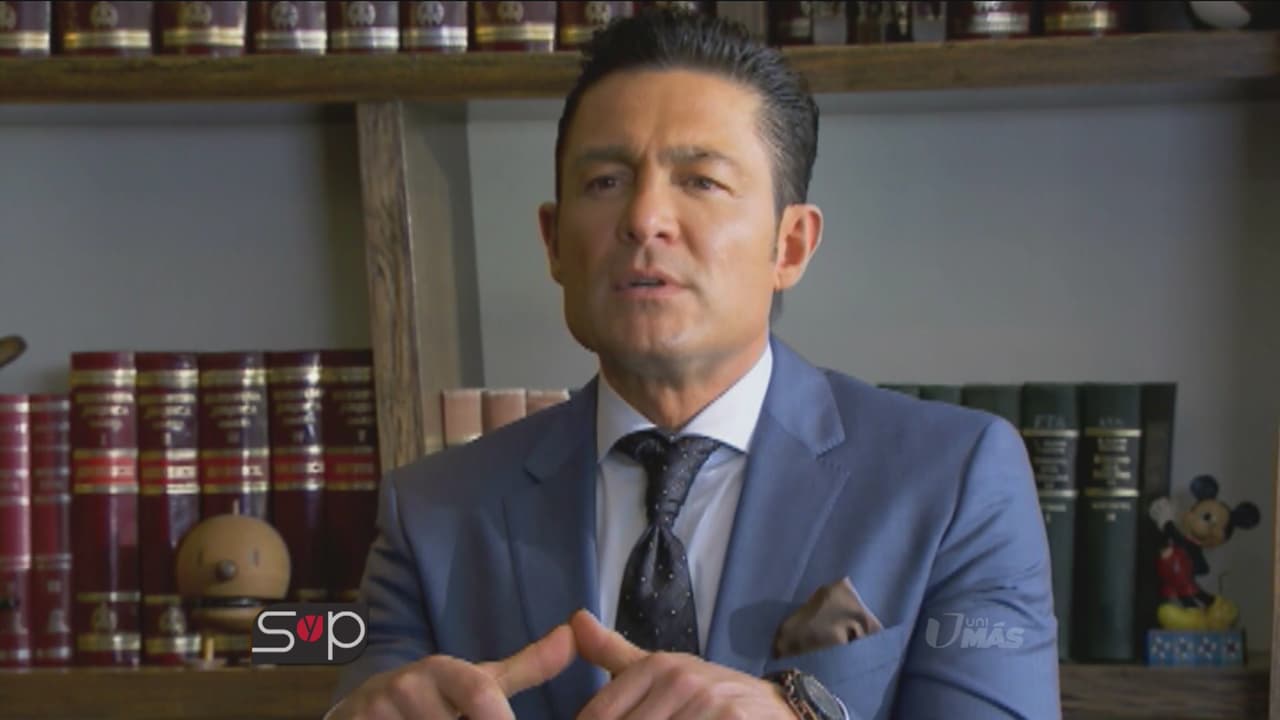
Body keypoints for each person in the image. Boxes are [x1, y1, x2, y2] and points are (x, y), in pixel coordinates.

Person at [329, 9, 1059, 720]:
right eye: (605, 181)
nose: (644, 218)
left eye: (701, 181)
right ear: (553, 242)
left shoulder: (954, 481)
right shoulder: (432, 515)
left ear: (790, 246)